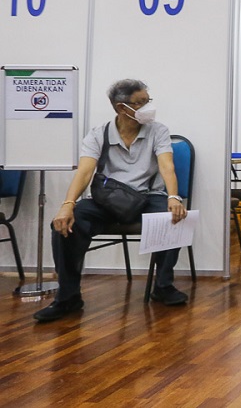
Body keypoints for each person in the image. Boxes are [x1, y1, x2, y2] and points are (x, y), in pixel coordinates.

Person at [33, 79, 189, 322]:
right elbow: (85, 172)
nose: (147, 107)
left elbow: (166, 165)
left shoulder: (158, 130)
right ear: (121, 108)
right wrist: (67, 206)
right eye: (140, 102)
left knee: (172, 218)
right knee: (66, 224)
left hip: (147, 197)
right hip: (109, 200)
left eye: (148, 101)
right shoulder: (98, 134)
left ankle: (163, 286)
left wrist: (173, 196)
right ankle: (68, 297)